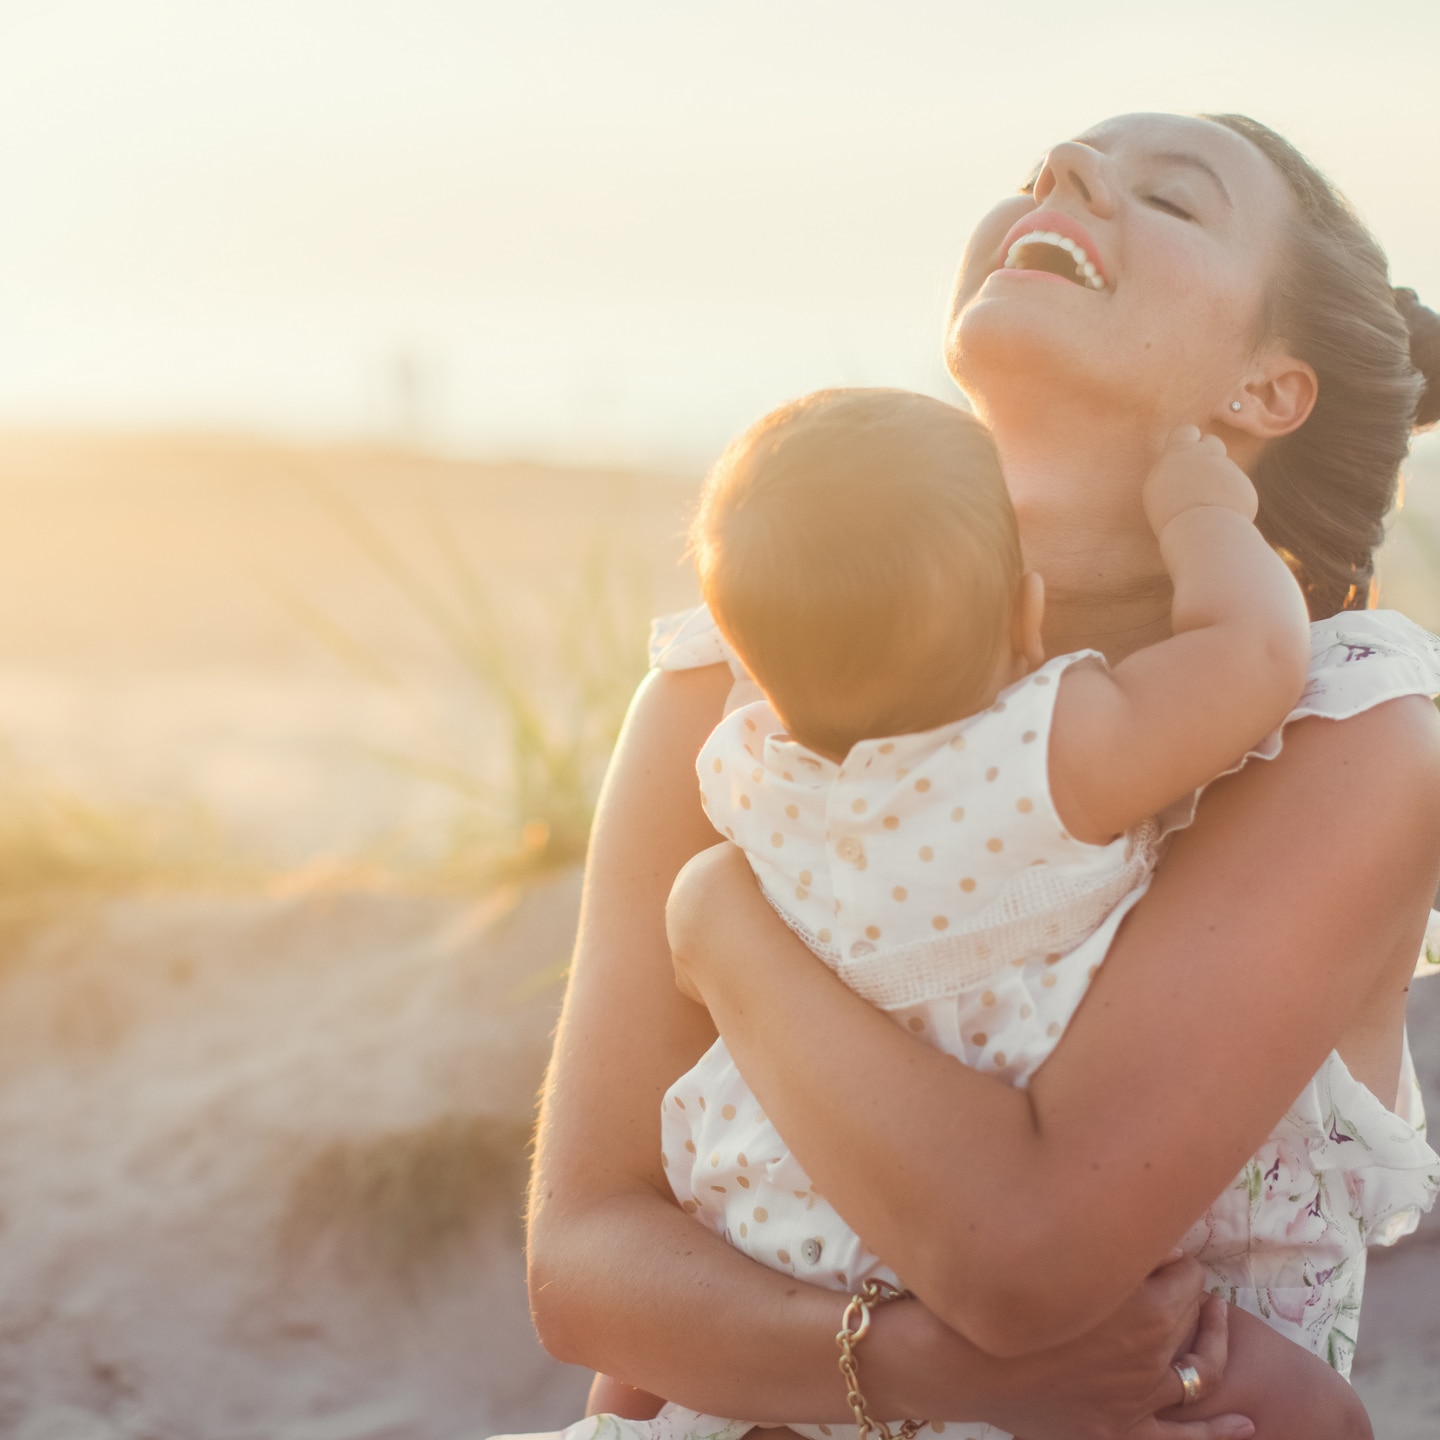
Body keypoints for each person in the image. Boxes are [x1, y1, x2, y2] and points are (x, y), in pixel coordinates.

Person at [525, 113, 1440, 1440]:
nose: (1060, 180)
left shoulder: (1345, 735)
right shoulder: (730, 695)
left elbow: (1026, 1252)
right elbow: (584, 1273)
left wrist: (724, 929)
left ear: (1268, 391)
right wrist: (914, 1373)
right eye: (1044, 173)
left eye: (1172, 199)